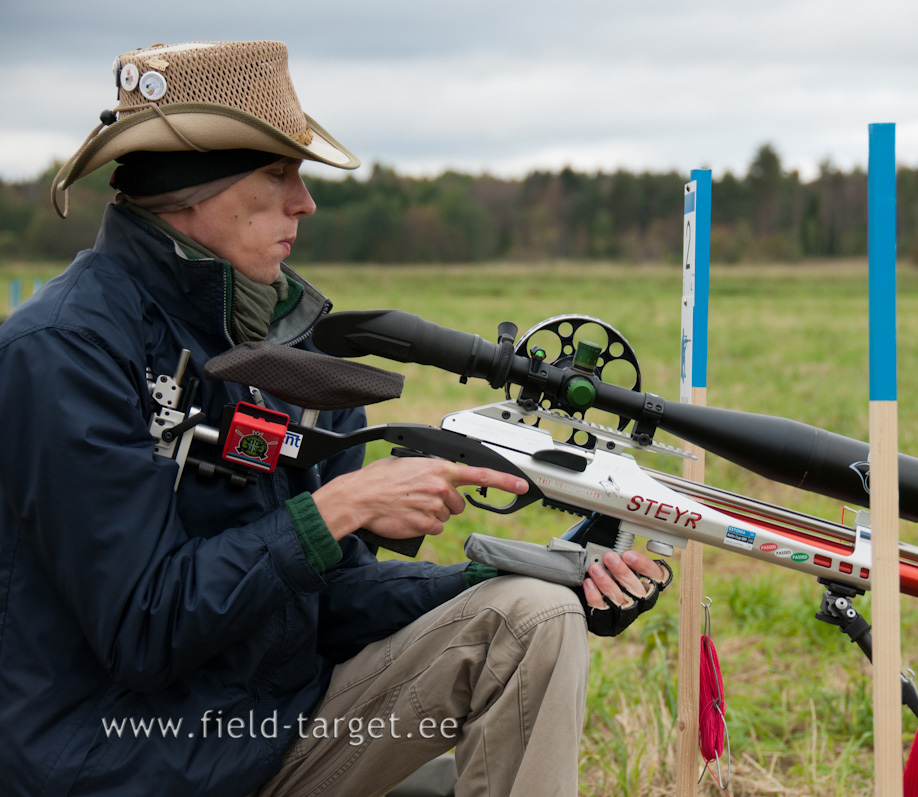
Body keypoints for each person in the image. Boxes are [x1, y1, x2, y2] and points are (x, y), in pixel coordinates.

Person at [0, 40, 670, 797]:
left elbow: (329, 607)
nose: (304, 202)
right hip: (117, 763)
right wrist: (335, 510)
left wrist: (511, 575)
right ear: (190, 188)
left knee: (533, 615)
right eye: (278, 173)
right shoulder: (62, 350)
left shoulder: (289, 350)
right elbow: (143, 629)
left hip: (268, 735)